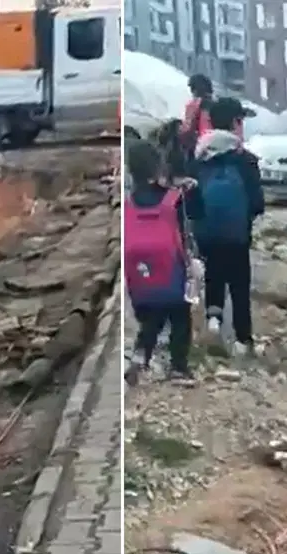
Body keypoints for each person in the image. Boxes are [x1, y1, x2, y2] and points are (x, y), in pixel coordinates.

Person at [123, 139, 204, 386]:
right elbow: (195, 218)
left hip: (139, 266)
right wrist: (193, 190)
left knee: (152, 315)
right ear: (158, 167)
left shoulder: (128, 203)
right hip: (170, 263)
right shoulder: (173, 199)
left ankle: (139, 356)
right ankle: (178, 367)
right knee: (180, 314)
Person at [190, 97, 265, 356]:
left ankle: (213, 321)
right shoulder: (246, 160)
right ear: (235, 123)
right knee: (239, 285)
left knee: (214, 275)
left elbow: (191, 200)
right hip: (237, 236)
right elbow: (257, 203)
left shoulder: (199, 156)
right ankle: (243, 341)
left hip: (206, 234)